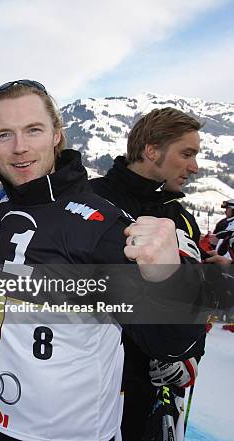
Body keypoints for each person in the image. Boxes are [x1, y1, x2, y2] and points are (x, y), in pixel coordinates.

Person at [0, 80, 204, 441]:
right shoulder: (0, 209)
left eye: (33, 130)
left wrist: (168, 275)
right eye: (4, 135)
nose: (19, 148)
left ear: (56, 135)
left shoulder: (97, 223)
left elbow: (171, 340)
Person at [90, 108, 226, 440]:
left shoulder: (182, 218)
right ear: (152, 151)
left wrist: (190, 355)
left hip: (153, 392)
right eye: (187, 153)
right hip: (90, 388)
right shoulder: (90, 202)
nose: (195, 167)